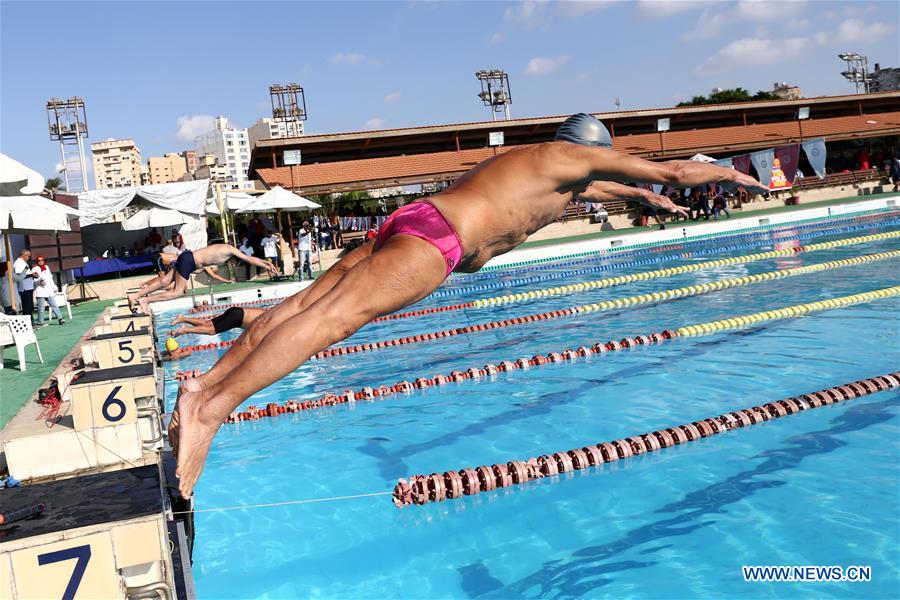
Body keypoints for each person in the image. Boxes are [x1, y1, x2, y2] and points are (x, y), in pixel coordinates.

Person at [169, 112, 767, 497]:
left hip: (414, 221)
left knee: (300, 307)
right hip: (436, 242)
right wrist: (728, 176)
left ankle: (203, 388)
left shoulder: (548, 170)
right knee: (329, 324)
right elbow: (670, 170)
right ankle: (210, 414)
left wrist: (644, 199)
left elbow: (611, 187)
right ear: (593, 149)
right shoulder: (572, 159)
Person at [127, 244, 278, 313]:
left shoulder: (225, 249)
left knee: (164, 282)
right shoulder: (230, 249)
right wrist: (266, 264)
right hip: (189, 261)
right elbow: (249, 259)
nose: (233, 264)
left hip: (187, 258)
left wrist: (266, 263)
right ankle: (145, 300)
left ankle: (135, 296)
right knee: (177, 292)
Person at [171, 306, 265, 337]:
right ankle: (186, 329)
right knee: (211, 331)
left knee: (207, 323)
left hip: (237, 311)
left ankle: (183, 318)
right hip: (238, 317)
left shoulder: (271, 313)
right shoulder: (273, 322)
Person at [31, 255, 65, 327]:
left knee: (54, 305)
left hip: (49, 290)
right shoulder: (34, 269)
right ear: (37, 262)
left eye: (42, 260)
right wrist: (40, 282)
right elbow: (34, 281)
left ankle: (60, 318)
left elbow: (50, 279)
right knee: (41, 308)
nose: (40, 261)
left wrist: (54, 287)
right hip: (40, 291)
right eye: (39, 260)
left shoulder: (47, 267)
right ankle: (41, 322)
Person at [12, 248, 36, 322]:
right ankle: (28, 323)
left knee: (29, 306)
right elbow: (19, 275)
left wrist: (32, 275)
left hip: (28, 286)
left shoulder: (22, 262)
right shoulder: (18, 263)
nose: (29, 258)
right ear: (24, 255)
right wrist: (31, 275)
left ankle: (31, 322)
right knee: (27, 306)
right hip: (24, 287)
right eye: (28, 256)